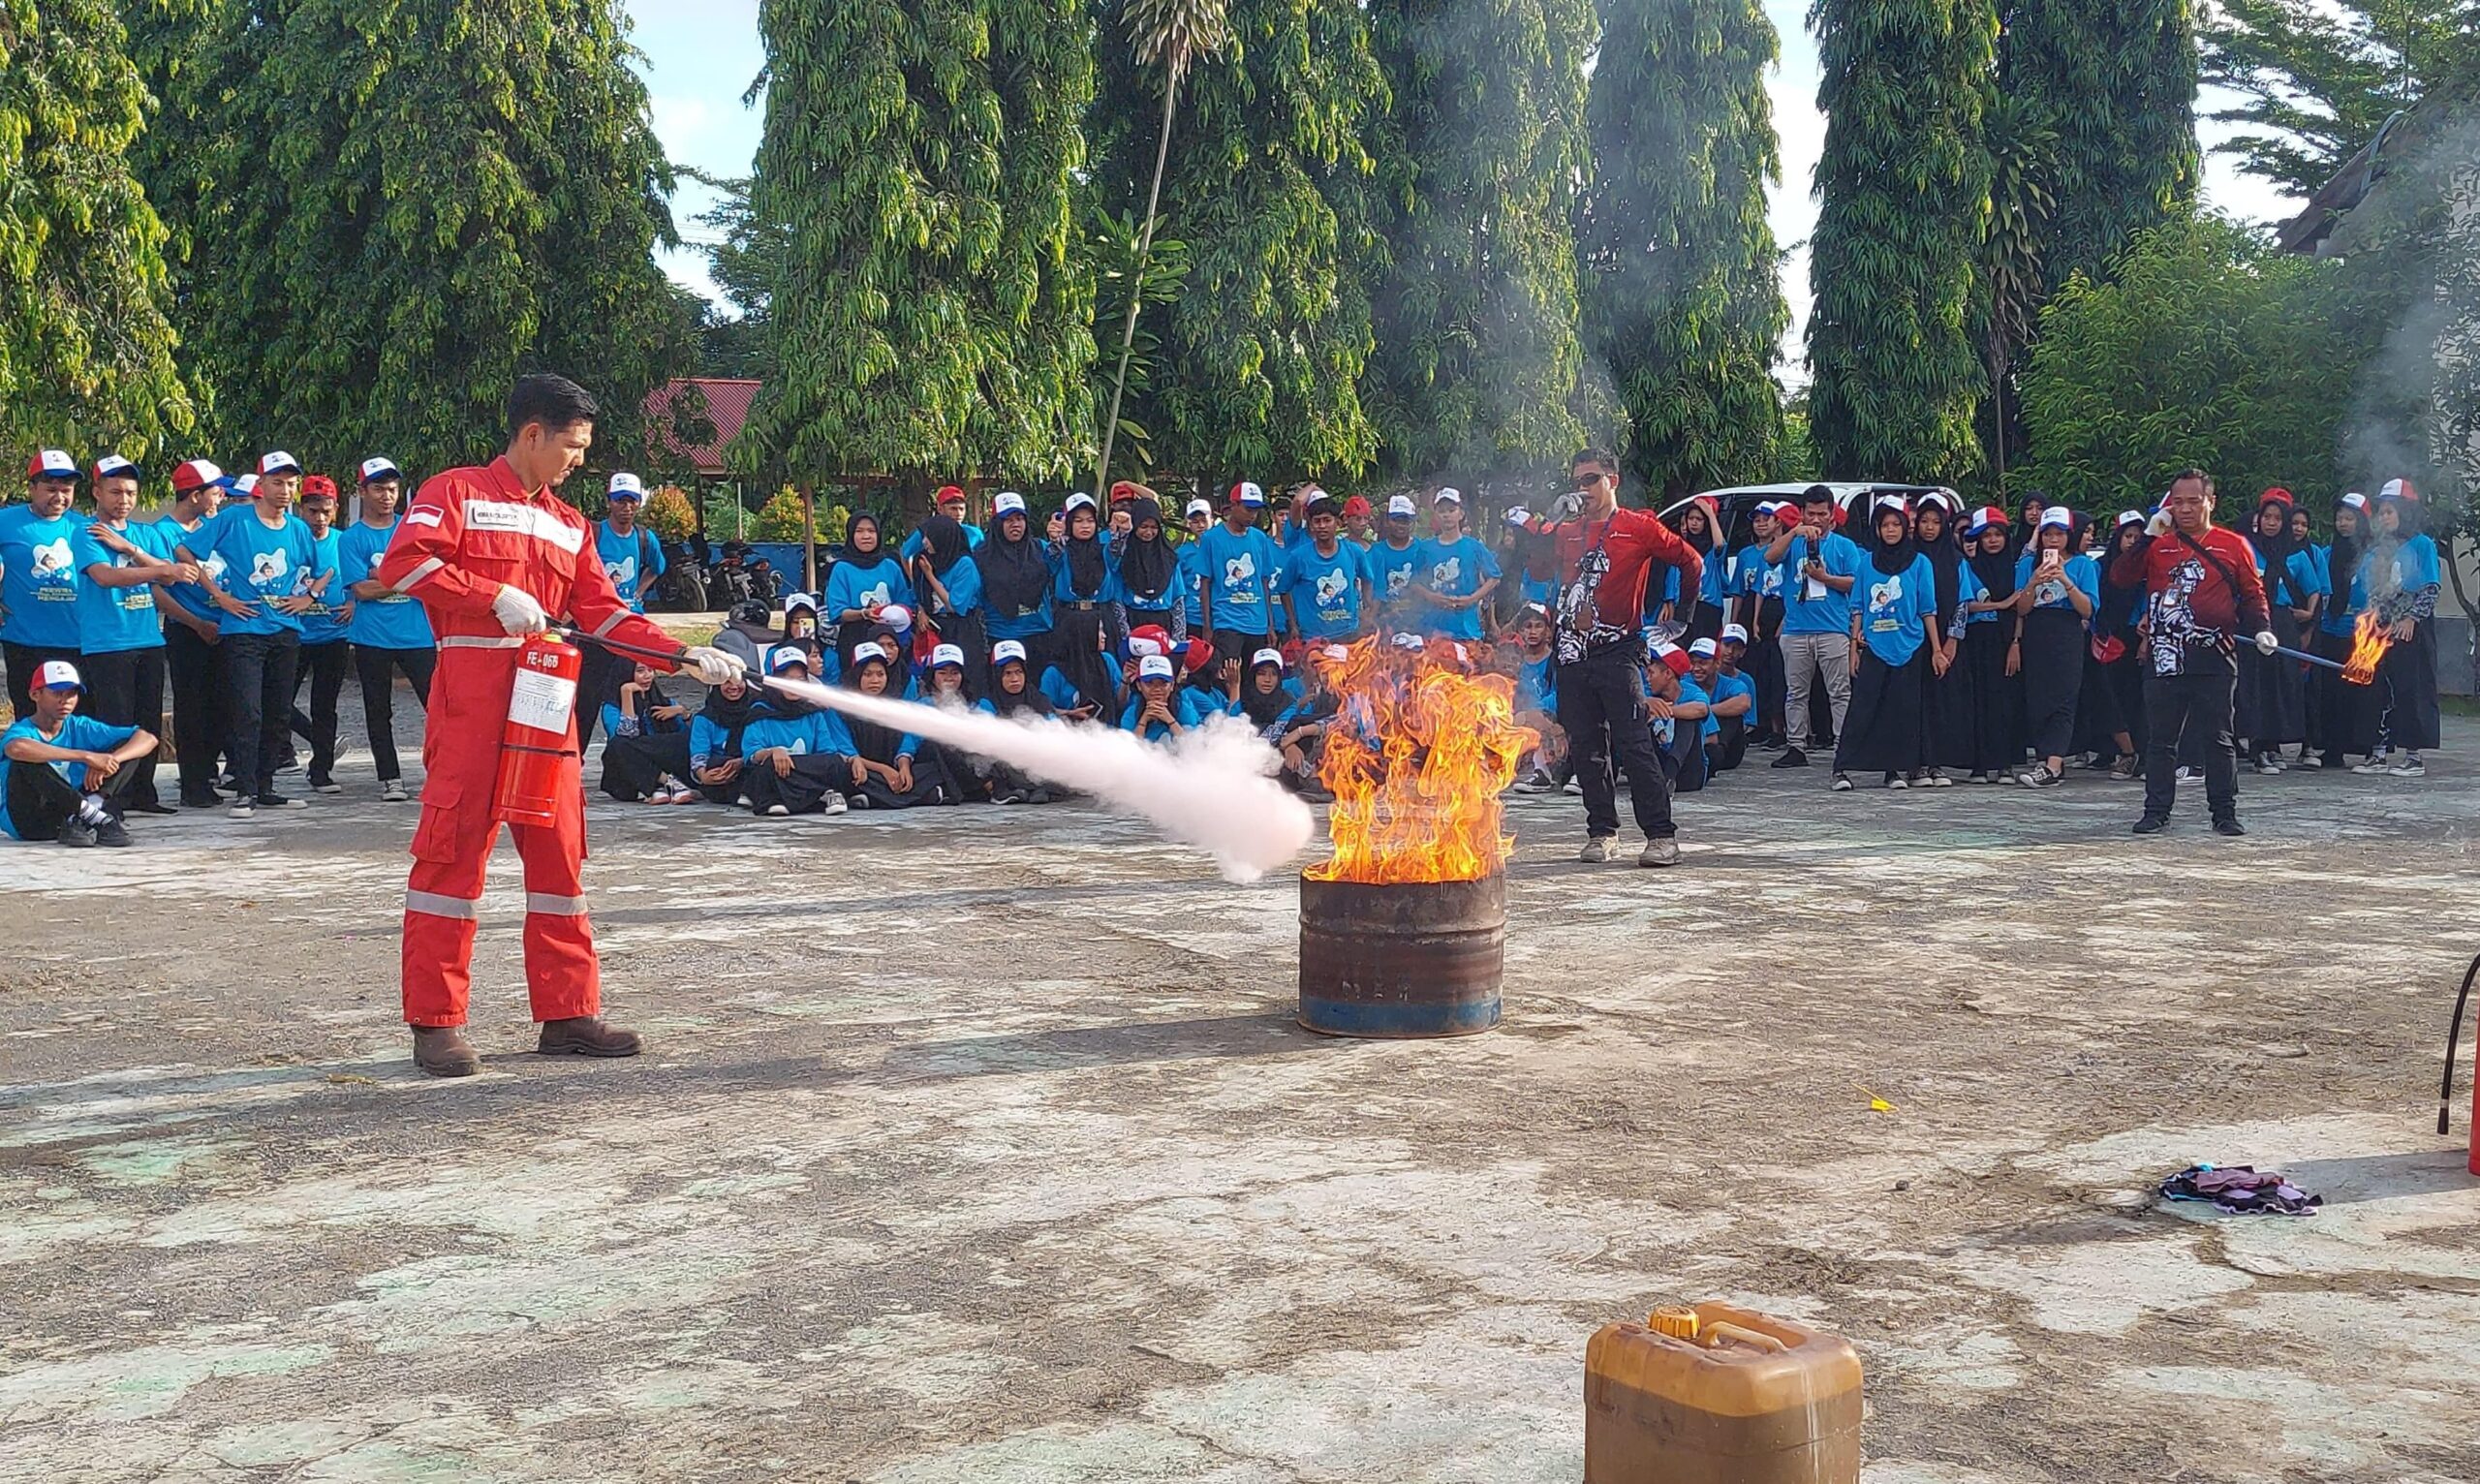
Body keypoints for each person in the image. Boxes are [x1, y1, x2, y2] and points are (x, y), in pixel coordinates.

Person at [372, 374, 742, 1076]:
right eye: (573, 446)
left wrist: (681, 654)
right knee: (451, 858)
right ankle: (436, 1022)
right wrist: (489, 595)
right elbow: (403, 564)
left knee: (560, 860)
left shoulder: (571, 525)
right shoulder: (455, 493)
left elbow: (603, 612)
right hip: (472, 706)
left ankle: (569, 1013)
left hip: (546, 708)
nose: (580, 460)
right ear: (532, 433)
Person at [1537, 447, 1702, 866]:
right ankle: (1602, 832)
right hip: (1572, 651)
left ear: (1612, 480)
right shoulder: (1567, 531)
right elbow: (1537, 571)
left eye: (1591, 479)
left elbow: (1691, 561)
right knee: (1586, 746)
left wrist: (1682, 617)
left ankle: (1661, 835)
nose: (1584, 489)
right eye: (1578, 481)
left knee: (1634, 742)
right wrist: (1548, 524)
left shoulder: (1638, 526)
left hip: (1618, 649)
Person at [2110, 469, 2275, 837]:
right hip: (2165, 655)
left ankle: (2224, 813)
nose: (2185, 509)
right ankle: (2156, 811)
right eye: (2178, 502)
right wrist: (2148, 536)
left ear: (2211, 502)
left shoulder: (2234, 545)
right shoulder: (2158, 545)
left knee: (2219, 738)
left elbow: (2253, 593)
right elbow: (2120, 577)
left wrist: (2262, 627)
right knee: (2161, 739)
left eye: (2194, 501)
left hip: (2216, 656)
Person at [177, 452, 325, 818]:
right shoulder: (235, 518)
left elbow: (324, 569)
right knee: (247, 710)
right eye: (277, 483)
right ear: (261, 484)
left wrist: (308, 597)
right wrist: (219, 595)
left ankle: (266, 785)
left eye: (291, 484)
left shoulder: (298, 528)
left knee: (278, 712)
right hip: (244, 631)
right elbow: (185, 550)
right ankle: (244, 788)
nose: (285, 491)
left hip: (285, 631)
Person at [72, 455, 186, 815]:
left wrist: (130, 549)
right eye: (116, 492)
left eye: (130, 493)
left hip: (148, 640)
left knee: (148, 722)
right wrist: (155, 568)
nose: (124, 500)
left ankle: (143, 793)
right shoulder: (86, 533)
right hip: (108, 644)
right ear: (97, 492)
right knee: (116, 724)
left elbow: (172, 576)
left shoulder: (145, 534)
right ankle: (112, 797)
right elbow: (105, 576)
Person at [337, 458, 434, 802]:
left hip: (418, 635)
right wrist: (404, 579)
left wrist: (384, 579)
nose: (386, 496)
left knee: (438, 707)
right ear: (362, 491)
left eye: (392, 489)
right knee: (378, 710)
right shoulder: (352, 539)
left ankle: (443, 771)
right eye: (378, 489)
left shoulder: (411, 529)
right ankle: (390, 777)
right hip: (372, 637)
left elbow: (429, 577)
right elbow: (362, 591)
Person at [1832, 500, 1943, 789]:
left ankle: (1894, 770)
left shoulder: (1920, 563)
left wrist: (1937, 649)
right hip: (1874, 646)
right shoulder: (1866, 562)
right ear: (1877, 529)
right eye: (1885, 525)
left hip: (1910, 646)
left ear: (1905, 528)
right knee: (1863, 708)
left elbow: (1927, 609)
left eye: (1896, 524)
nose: (1890, 530)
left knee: (1903, 711)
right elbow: (1858, 606)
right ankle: (1841, 768)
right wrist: (1854, 648)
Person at [1762, 485, 1861, 769]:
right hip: (1796, 629)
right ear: (1802, 513)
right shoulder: (1793, 542)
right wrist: (1794, 532)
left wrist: (1825, 578)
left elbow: (1856, 583)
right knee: (1795, 692)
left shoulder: (1844, 546)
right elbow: (1770, 557)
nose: (1816, 519)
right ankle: (1796, 746)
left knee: (1839, 692)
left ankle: (1844, 746)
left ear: (1832, 515)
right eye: (1811, 513)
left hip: (1833, 629)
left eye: (1822, 514)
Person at [2, 661, 152, 847]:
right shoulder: (23, 730)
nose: (65, 701)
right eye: (57, 693)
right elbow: (16, 748)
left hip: (70, 816)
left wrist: (111, 760)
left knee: (127, 749)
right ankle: (97, 817)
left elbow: (147, 738)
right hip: (30, 821)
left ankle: (88, 812)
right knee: (25, 759)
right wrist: (86, 756)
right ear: (35, 695)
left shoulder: (79, 725)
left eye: (71, 694)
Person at [155, 460, 232, 807]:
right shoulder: (163, 533)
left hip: (222, 629)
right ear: (195, 495)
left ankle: (210, 774)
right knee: (192, 708)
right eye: (216, 491)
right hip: (187, 631)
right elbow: (157, 590)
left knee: (221, 706)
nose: (221, 496)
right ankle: (193, 784)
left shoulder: (213, 528)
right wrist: (195, 623)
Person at [2008, 507, 2099, 788]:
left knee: (2064, 697)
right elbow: (2022, 609)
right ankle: (2044, 757)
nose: (2053, 540)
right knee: (2038, 697)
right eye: (2048, 534)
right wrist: (2034, 581)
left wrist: (2064, 579)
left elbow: (2087, 609)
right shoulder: (2028, 564)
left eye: (2059, 534)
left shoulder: (2082, 565)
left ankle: (2054, 764)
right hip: (2037, 632)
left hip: (2067, 631)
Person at [2357, 479, 2440, 777]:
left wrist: (2411, 618)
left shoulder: (2422, 544)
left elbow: (2430, 587)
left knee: (2410, 690)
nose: (2384, 517)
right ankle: (2379, 752)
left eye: (2389, 511)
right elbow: (2373, 590)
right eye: (2381, 512)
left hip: (2411, 629)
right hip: (2382, 630)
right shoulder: (2380, 550)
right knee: (2380, 690)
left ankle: (2413, 755)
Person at [577, 473, 666, 751]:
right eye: (620, 501)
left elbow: (657, 567)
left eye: (632, 501)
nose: (626, 507)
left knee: (631, 692)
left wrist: (638, 591)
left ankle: (633, 752)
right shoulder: (595, 534)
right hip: (596, 629)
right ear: (609, 502)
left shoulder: (644, 537)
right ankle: (578, 753)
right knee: (587, 697)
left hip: (629, 627)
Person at [1, 449, 88, 717]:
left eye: (66, 490)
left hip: (77, 640)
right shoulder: (6, 521)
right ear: (31, 488)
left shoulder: (84, 527)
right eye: (51, 489)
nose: (59, 497)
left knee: (76, 719)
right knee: (30, 717)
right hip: (24, 641)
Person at [282, 477, 355, 793]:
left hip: (333, 635)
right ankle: (309, 743)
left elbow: (358, 577)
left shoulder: (343, 541)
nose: (319, 518)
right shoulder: (290, 538)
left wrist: (353, 603)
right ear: (302, 510)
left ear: (335, 510)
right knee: (277, 702)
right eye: (313, 511)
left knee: (324, 705)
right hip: (294, 635)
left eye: (326, 511)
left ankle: (321, 769)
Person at [2236, 490, 2310, 774]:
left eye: (2277, 518)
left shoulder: (2295, 553)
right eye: (2267, 517)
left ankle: (2274, 746)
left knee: (2279, 684)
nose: (2271, 523)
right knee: (2254, 685)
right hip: (2252, 621)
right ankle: (2257, 748)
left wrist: (2307, 618)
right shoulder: (2247, 549)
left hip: (2282, 622)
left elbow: (2314, 590)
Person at [1951, 508, 2024, 782]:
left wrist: (2016, 642)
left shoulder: (2016, 568)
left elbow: (2021, 608)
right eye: (1986, 536)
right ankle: (1979, 764)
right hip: (1976, 639)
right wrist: (2000, 604)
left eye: (1997, 535)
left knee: (2004, 701)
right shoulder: (1968, 567)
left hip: (2005, 640)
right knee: (1977, 701)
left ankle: (2005, 763)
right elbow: (1967, 604)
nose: (1992, 540)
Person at [738, 646, 852, 818]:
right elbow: (751, 755)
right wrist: (773, 752)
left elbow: (827, 750)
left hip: (805, 768)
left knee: (835, 762)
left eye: (800, 679)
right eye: (788, 680)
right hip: (776, 769)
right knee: (767, 767)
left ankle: (794, 798)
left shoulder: (813, 713)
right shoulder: (759, 711)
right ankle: (814, 795)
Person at [2308, 492, 2374, 770]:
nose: (2343, 524)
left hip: (2360, 634)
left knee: (2359, 692)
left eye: (2349, 518)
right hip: (2329, 629)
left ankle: (2366, 747)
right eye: (2339, 518)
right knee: (2329, 692)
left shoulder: (2373, 555)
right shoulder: (2326, 553)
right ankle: (2331, 747)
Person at [837, 640, 948, 806]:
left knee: (932, 768)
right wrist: (884, 770)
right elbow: (847, 752)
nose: (875, 680)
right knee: (845, 771)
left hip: (892, 767)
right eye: (868, 674)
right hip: (865, 768)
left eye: (880, 674)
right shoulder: (839, 707)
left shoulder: (894, 706)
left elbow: (906, 739)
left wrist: (903, 766)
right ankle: (914, 796)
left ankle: (875, 798)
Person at [1198, 481, 1281, 666]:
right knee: (1228, 674)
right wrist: (1207, 626)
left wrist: (1270, 625)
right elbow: (1205, 583)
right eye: (1248, 509)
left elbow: (1264, 583)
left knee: (1254, 677)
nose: (1252, 515)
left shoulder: (1260, 538)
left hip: (1257, 623)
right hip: (1226, 622)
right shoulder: (1211, 538)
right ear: (1233, 505)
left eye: (1256, 510)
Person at [1730, 501, 1789, 747]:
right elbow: (1743, 591)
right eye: (1757, 520)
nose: (1761, 524)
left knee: (1776, 672)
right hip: (1752, 612)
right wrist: (1734, 622)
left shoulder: (1785, 551)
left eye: (1766, 519)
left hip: (1780, 611)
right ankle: (1758, 723)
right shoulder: (1745, 554)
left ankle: (1779, 728)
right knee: (1754, 670)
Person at [976, 491, 1056, 672]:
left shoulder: (1041, 548)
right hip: (1001, 636)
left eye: (1020, 519)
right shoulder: (982, 556)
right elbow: (977, 597)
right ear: (997, 523)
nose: (1016, 525)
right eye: (1008, 520)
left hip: (1040, 634)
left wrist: (1059, 540)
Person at [598, 661, 698, 803]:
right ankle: (668, 782)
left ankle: (661, 788)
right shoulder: (611, 707)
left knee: (683, 739)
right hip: (632, 769)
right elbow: (627, 736)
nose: (647, 676)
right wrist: (626, 693)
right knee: (618, 745)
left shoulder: (664, 702)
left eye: (650, 670)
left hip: (664, 759)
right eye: (640, 671)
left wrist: (683, 712)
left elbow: (686, 737)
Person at [824, 511, 914, 669]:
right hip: (855, 639)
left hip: (889, 639)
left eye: (871, 531)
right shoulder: (842, 569)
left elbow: (905, 604)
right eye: (859, 531)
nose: (866, 536)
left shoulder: (890, 566)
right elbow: (837, 612)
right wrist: (863, 613)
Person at [974, 639, 1057, 805]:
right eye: (1008, 673)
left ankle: (1037, 787)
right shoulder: (988, 702)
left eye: (1019, 672)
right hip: (1005, 761)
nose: (1015, 679)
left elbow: (1055, 728)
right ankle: (1005, 790)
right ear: (998, 675)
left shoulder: (1039, 699)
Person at [1410, 489, 1501, 642]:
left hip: (1467, 630)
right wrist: (1431, 596)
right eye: (1442, 511)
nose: (1447, 515)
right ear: (1436, 515)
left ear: (1461, 514)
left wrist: (1471, 599)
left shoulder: (1474, 546)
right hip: (1433, 630)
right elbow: (1413, 582)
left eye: (1451, 510)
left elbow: (1494, 577)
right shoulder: (1425, 548)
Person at [1282, 495, 1366, 645]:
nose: (1322, 526)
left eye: (1327, 520)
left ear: (1338, 522)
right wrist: (1293, 624)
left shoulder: (1354, 551)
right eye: (1317, 521)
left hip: (1348, 634)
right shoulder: (1298, 557)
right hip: (1312, 638)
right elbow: (1283, 590)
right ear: (1310, 524)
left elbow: (1367, 579)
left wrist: (1367, 610)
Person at [687, 665, 764, 805]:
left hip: (750, 764)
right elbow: (699, 754)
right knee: (717, 764)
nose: (734, 687)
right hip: (723, 770)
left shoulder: (758, 711)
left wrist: (741, 761)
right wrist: (703, 776)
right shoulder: (704, 718)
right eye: (727, 682)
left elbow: (764, 745)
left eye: (739, 681)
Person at [1643, 641, 1712, 792]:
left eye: (1651, 673)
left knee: (1688, 718)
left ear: (1668, 674)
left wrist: (1664, 711)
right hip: (1657, 767)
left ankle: (1669, 777)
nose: (1647, 679)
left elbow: (1701, 709)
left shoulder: (1692, 692)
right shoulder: (1648, 693)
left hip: (1688, 772)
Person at [1693, 635, 1755, 776]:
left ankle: (1715, 752)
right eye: (1693, 662)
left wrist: (1704, 711)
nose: (1696, 668)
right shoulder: (1685, 682)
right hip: (1696, 745)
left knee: (1733, 714)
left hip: (1727, 751)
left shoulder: (1735, 682)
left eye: (1702, 663)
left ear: (1717, 663)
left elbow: (1744, 703)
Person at [1671, 497, 1731, 640]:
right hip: (1684, 606)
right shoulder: (1681, 548)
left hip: (1708, 606)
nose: (1694, 523)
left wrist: (1710, 514)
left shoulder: (1712, 551)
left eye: (1699, 519)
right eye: (1691, 518)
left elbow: (1719, 545)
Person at [1121, 653, 1209, 741]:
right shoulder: (1132, 713)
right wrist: (1143, 721)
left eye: (1163, 683)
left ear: (1172, 685)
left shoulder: (1183, 708)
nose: (1157, 689)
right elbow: (1129, 746)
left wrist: (1170, 720)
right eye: (1149, 683)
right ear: (1139, 686)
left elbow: (1193, 743)